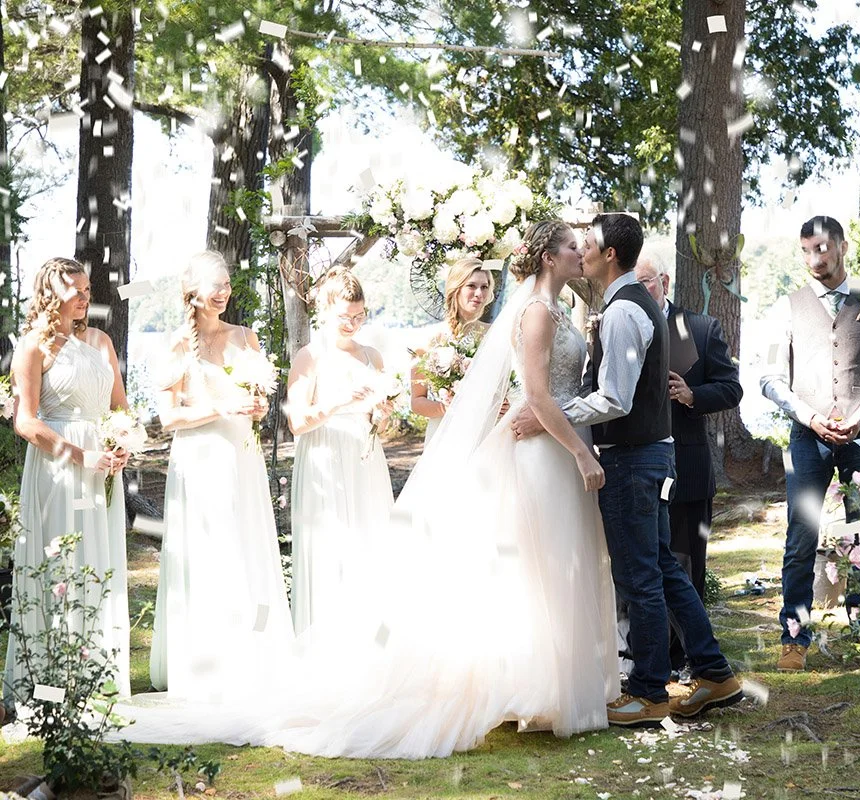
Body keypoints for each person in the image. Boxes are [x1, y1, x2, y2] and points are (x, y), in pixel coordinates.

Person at [117, 222, 618, 757]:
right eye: (572, 245)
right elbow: (536, 393)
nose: (581, 251)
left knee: (538, 563)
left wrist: (381, 413)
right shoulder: (534, 311)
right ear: (547, 257)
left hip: (393, 454)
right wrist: (578, 448)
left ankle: (543, 684)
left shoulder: (548, 311)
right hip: (337, 459)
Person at [513, 213, 741, 726]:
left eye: (588, 244)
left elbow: (615, 399)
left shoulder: (621, 313)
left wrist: (550, 415)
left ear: (609, 254)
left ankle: (649, 692)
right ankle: (713, 671)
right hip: (650, 454)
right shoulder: (630, 304)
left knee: (639, 577)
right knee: (660, 567)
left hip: (633, 459)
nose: (583, 251)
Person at [759, 215, 860, 672]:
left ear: (842, 246)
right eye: (806, 251)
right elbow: (770, 378)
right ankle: (793, 636)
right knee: (801, 536)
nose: (814, 259)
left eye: (821, 248)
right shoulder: (787, 307)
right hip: (807, 436)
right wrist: (810, 417)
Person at [150, 251, 292, 698]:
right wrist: (221, 407)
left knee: (246, 545)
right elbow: (168, 418)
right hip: (199, 459)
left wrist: (257, 406)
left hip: (242, 457)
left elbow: (259, 399)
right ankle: (207, 659)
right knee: (208, 550)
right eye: (216, 285)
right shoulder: (177, 344)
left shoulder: (246, 337)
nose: (224, 292)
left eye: (227, 284)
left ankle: (253, 651)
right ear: (193, 292)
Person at [3, 258, 132, 709]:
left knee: (100, 562)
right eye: (74, 290)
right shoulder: (33, 347)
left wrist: (122, 443)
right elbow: (25, 422)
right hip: (58, 470)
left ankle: (99, 676)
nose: (84, 297)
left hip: (103, 470)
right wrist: (81, 456)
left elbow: (120, 408)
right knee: (62, 565)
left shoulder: (101, 342)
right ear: (50, 293)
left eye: (87, 289)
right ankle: (52, 682)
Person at [633, 254, 743, 675]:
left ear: (664, 281)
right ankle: (650, 656)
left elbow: (731, 388)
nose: (640, 291)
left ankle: (688, 658)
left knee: (685, 564)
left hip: (688, 469)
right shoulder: (620, 323)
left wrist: (693, 395)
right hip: (635, 467)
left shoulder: (700, 327)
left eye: (646, 282)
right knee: (642, 566)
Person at [286, 268, 394, 634]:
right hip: (324, 458)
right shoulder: (310, 356)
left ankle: (371, 636)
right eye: (344, 317)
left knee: (369, 541)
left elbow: (380, 423)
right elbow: (297, 422)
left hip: (366, 460)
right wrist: (339, 401)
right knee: (331, 547)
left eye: (359, 316)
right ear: (325, 310)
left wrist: (380, 416)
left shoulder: (373, 357)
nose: (352, 324)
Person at [409, 257, 494, 442]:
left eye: (484, 287)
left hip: (486, 430)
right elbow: (417, 402)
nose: (479, 293)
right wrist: (448, 407)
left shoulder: (494, 335)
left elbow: (508, 386)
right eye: (471, 286)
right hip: (445, 433)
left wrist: (504, 404)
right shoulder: (429, 339)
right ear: (456, 288)